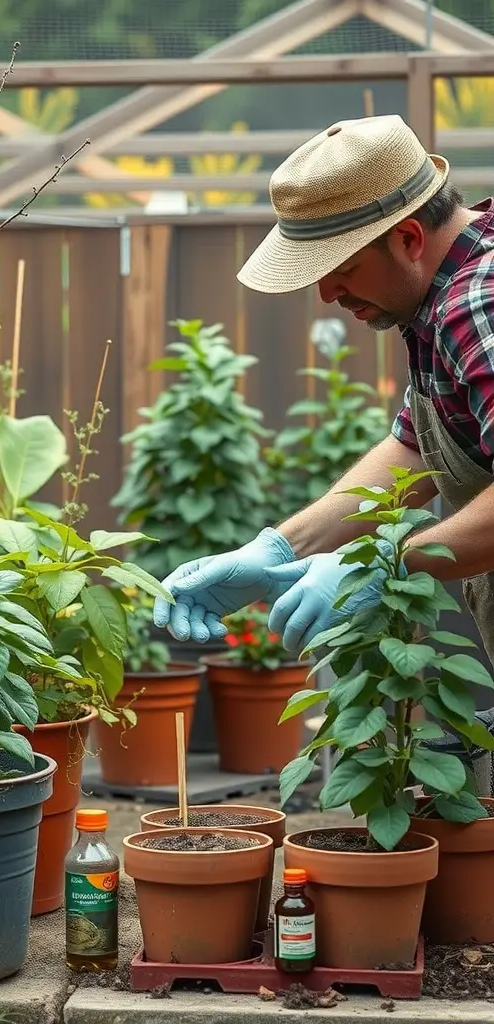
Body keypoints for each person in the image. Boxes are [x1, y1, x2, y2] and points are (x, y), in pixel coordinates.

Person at [153, 114, 494, 743]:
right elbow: (420, 447)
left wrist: (384, 564)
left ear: (410, 239)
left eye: (339, 266)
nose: (326, 292)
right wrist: (280, 549)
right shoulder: (438, 299)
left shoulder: (479, 305)